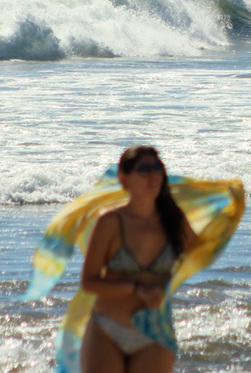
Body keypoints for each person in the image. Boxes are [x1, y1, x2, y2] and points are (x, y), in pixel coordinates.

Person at [80, 146, 198, 373]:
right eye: (144, 169)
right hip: (107, 330)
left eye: (158, 168)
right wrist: (137, 289)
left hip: (155, 333)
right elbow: (89, 281)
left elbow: (200, 257)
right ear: (124, 179)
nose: (153, 175)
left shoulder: (174, 221)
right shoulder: (111, 222)